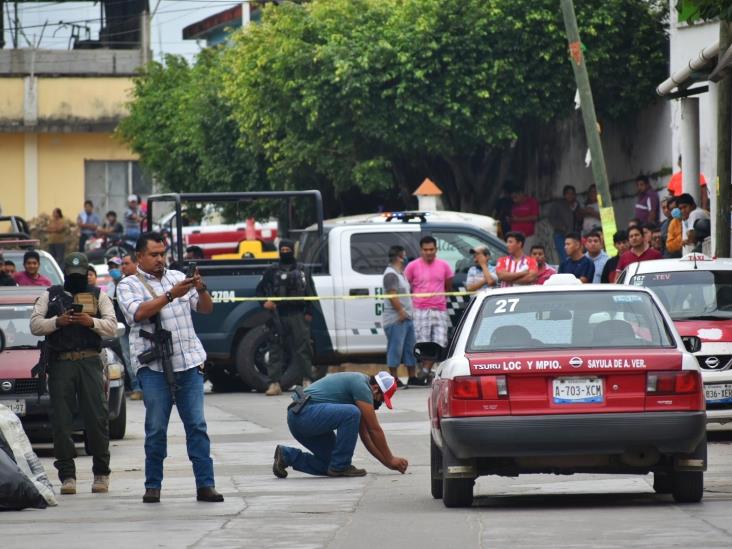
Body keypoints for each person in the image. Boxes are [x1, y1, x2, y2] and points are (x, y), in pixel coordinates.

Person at [116, 232, 222, 504]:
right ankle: (153, 486)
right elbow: (137, 314)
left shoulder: (177, 278)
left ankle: (205, 485)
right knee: (156, 428)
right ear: (140, 256)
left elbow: (207, 309)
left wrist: (199, 288)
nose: (160, 259)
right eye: (154, 254)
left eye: (162, 253)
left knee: (197, 426)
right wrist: (170, 295)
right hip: (153, 368)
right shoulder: (128, 285)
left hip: (188, 362)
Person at [29, 252, 117, 495]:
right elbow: (35, 325)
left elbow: (112, 326)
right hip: (61, 364)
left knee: (97, 418)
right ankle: (67, 476)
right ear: (65, 274)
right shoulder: (51, 294)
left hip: (89, 362)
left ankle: (101, 473)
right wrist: (58, 321)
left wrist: (91, 322)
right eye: (72, 275)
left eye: (80, 275)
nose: (76, 279)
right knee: (61, 421)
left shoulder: (99, 295)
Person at [272, 371, 408, 478]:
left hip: (301, 418)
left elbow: (366, 435)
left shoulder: (359, 391)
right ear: (376, 388)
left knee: (330, 463)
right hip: (304, 415)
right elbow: (374, 430)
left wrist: (388, 463)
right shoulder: (362, 386)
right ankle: (341, 466)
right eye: (381, 399)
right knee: (352, 413)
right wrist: (390, 458)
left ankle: (286, 455)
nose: (379, 404)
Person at [255, 238, 315, 396]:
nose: (285, 253)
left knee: (304, 349)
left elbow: (311, 293)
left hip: (298, 314)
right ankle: (274, 383)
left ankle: (307, 380)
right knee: (275, 349)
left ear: (292, 250)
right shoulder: (272, 270)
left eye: (288, 250)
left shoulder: (302, 270)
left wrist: (309, 313)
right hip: (278, 314)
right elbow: (260, 291)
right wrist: (264, 303)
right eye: (283, 250)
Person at [404, 236, 454, 381]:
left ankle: (425, 370)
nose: (429, 252)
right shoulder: (412, 266)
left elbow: (448, 285)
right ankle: (425, 370)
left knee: (440, 342)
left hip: (439, 309)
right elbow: (407, 285)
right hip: (420, 309)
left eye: (431, 249)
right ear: (421, 250)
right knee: (422, 342)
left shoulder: (444, 266)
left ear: (436, 250)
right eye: (425, 250)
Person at [382, 245, 419, 388]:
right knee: (395, 349)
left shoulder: (399, 272)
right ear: (400, 257)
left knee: (410, 348)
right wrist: (401, 312)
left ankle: (412, 377)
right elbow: (392, 294)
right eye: (404, 255)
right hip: (396, 319)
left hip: (406, 318)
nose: (406, 257)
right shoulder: (391, 274)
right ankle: (393, 379)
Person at [547, 185, 579, 262]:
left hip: (573, 235)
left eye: (572, 193)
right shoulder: (558, 204)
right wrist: (561, 226)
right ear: (564, 194)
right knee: (564, 256)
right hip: (560, 234)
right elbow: (551, 218)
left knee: (574, 255)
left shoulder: (576, 204)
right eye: (568, 193)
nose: (570, 195)